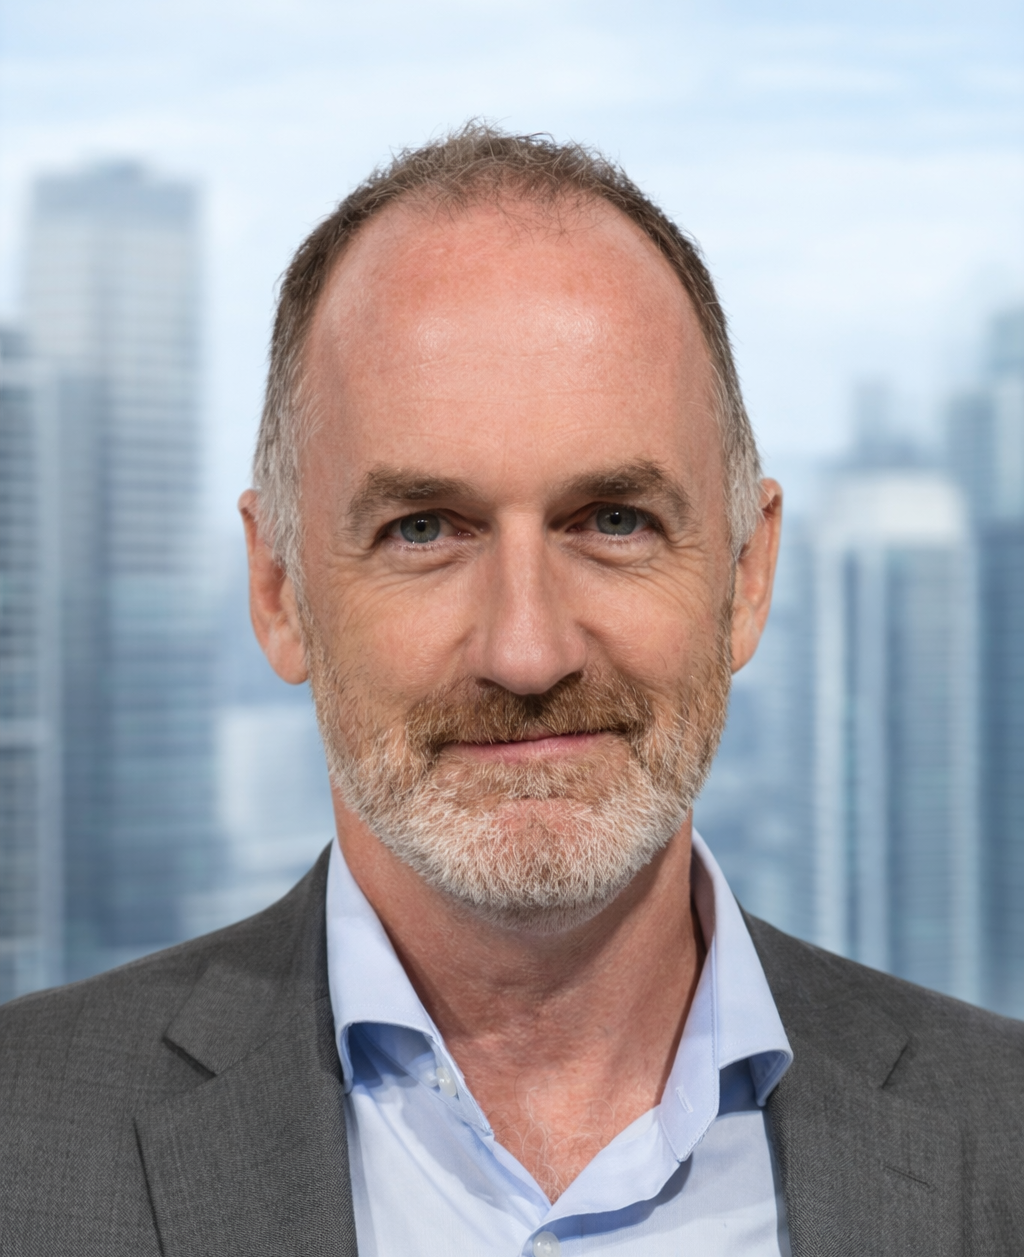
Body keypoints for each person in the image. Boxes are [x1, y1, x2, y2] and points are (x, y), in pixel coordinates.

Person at [1, 126, 1021, 1257]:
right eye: (423, 530)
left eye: (615, 523)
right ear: (279, 588)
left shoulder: (1004, 1135)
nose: (527, 653)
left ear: (745, 575)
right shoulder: (22, 1140)